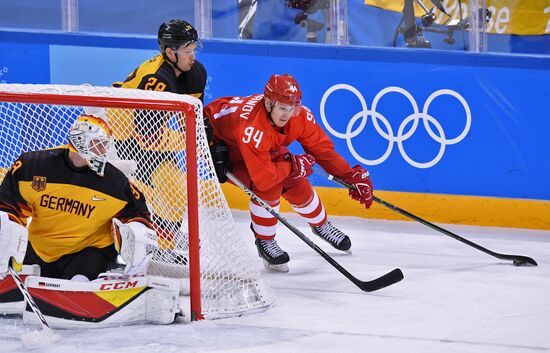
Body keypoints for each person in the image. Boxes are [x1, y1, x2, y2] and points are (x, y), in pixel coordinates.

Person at [204, 73, 373, 272]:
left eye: (292, 108)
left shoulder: (297, 116)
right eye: (282, 108)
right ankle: (265, 240)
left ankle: (321, 225)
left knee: (295, 180)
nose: (287, 114)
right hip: (223, 147)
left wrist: (349, 175)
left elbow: (322, 149)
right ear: (268, 103)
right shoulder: (252, 127)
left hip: (258, 145)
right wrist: (293, 164)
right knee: (271, 186)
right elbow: (265, 179)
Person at [0, 113, 153, 282]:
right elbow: (8, 207)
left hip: (89, 251)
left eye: (105, 145)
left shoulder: (114, 181)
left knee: (79, 281)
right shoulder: (33, 166)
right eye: (99, 144)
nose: (104, 151)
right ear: (80, 141)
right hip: (39, 249)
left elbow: (139, 215)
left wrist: (136, 230)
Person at [112, 19, 207, 248]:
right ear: (169, 52)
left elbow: (192, 120)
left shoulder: (195, 72)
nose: (192, 56)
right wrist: (190, 142)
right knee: (170, 187)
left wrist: (206, 142)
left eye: (193, 49)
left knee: (175, 188)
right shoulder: (156, 80)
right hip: (119, 136)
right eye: (187, 51)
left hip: (145, 134)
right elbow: (148, 137)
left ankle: (165, 237)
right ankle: (162, 241)